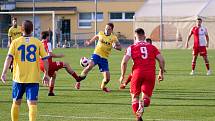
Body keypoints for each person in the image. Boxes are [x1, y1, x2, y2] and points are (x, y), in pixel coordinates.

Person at [1, 20, 50, 121]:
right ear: (32, 29)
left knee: (16, 103)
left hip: (18, 79)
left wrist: (4, 72)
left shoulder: (15, 42)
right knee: (32, 104)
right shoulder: (37, 42)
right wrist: (46, 74)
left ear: (21, 29)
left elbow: (8, 58)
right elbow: (45, 60)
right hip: (33, 79)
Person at [119, 28, 165, 121]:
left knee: (135, 97)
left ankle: (138, 117)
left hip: (137, 73)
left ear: (135, 37)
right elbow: (162, 60)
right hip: (150, 74)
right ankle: (143, 103)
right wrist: (161, 73)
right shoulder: (152, 47)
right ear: (144, 36)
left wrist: (122, 76)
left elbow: (124, 62)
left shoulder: (131, 47)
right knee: (146, 99)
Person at [78, 23, 122, 92]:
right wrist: (89, 42)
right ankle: (78, 81)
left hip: (104, 58)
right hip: (96, 54)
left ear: (112, 30)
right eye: (106, 28)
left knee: (107, 79)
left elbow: (120, 48)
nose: (106, 30)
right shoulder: (101, 33)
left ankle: (103, 87)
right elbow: (96, 37)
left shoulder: (114, 38)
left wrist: (115, 47)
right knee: (89, 66)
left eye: (108, 29)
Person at [39, 31, 82, 96]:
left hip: (41, 65)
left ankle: (51, 92)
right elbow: (50, 54)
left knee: (53, 75)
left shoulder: (39, 43)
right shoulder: (48, 43)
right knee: (66, 64)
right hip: (48, 64)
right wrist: (59, 56)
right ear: (47, 36)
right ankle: (77, 78)